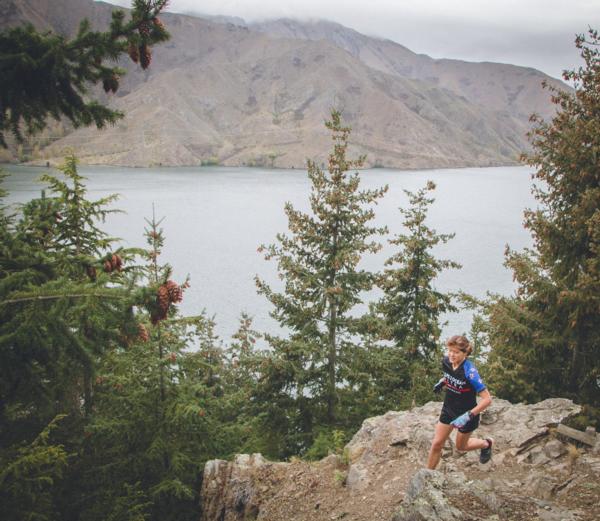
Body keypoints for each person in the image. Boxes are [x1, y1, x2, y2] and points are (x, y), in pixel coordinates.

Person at [426, 335, 493, 469]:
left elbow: (487, 399)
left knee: (461, 446)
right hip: (448, 409)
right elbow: (450, 374)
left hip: (467, 414)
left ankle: (487, 444)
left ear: (465, 353)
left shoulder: (470, 372)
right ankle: (427, 476)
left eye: (456, 352)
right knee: (437, 444)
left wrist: (469, 415)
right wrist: (443, 381)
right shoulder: (446, 362)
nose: (451, 355)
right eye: (450, 350)